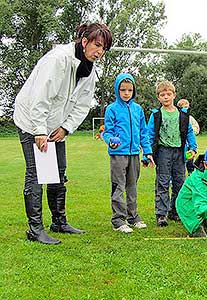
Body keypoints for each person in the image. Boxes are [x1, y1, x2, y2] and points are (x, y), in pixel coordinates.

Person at [13, 23, 113, 244]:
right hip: (31, 120)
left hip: (56, 124)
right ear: (84, 41)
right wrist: (39, 131)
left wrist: (66, 127)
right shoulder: (58, 59)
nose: (99, 52)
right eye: (97, 45)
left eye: (103, 49)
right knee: (36, 174)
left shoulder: (90, 70)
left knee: (58, 171)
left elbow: (82, 105)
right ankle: (35, 230)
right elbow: (41, 97)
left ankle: (59, 221)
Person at [103, 73, 155, 233]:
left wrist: (147, 152)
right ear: (117, 90)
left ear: (134, 91)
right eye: (123, 90)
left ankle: (133, 217)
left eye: (129, 90)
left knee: (132, 186)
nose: (126, 93)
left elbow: (143, 132)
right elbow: (107, 132)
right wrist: (111, 139)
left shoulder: (138, 109)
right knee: (118, 186)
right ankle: (118, 220)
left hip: (134, 154)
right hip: (118, 154)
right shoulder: (111, 109)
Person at [147, 81, 198, 227]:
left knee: (179, 183)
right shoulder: (156, 115)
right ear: (158, 97)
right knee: (162, 183)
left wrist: (193, 148)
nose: (166, 97)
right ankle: (161, 214)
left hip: (179, 153)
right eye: (162, 95)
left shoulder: (182, 115)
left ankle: (175, 211)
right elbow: (150, 134)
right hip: (163, 152)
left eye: (168, 94)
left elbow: (189, 132)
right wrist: (148, 153)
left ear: (174, 95)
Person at [177, 98, 199, 174]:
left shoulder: (190, 118)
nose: (186, 109)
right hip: (180, 144)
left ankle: (191, 172)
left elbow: (196, 128)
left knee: (190, 160)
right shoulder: (176, 116)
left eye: (187, 107)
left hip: (189, 144)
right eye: (184, 107)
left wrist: (191, 131)